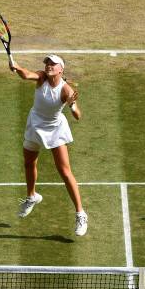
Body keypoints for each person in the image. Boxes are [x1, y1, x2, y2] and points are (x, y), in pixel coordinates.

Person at [10, 54, 88, 236]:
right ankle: (32, 197)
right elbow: (26, 74)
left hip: (54, 129)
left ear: (61, 69)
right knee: (29, 163)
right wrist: (16, 67)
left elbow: (78, 116)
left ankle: (80, 214)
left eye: (53, 64)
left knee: (64, 171)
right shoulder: (42, 77)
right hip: (35, 123)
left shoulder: (66, 90)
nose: (48, 66)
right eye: (47, 63)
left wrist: (72, 105)